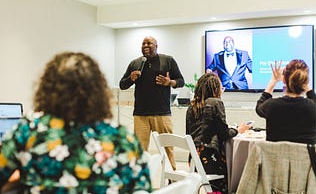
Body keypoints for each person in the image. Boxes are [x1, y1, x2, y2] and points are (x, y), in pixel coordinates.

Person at [0, 52, 152, 193]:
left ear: (47, 90)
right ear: (99, 93)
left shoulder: (28, 131)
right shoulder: (123, 138)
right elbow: (143, 188)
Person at [119, 36, 185, 170]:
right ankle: (141, 177)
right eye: (143, 43)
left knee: (168, 149)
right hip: (140, 114)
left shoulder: (168, 61)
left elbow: (181, 81)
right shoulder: (135, 63)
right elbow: (122, 84)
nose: (146, 46)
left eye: (149, 43)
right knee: (140, 150)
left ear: (156, 46)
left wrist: (170, 82)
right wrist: (131, 78)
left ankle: (172, 176)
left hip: (162, 113)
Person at [186, 72, 251, 193]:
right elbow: (225, 134)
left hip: (194, 159)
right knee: (238, 171)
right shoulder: (216, 103)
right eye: (221, 87)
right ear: (216, 89)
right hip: (210, 159)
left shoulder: (192, 106)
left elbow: (192, 133)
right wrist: (238, 130)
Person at [256, 59, 316, 144]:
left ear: (284, 80)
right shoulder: (313, 107)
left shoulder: (272, 105)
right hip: (304, 157)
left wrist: (273, 81)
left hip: (276, 157)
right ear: (305, 80)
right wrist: (304, 83)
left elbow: (259, 107)